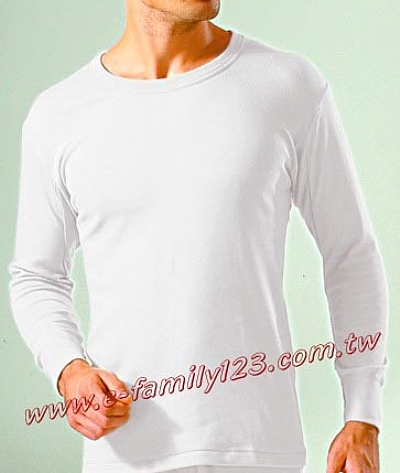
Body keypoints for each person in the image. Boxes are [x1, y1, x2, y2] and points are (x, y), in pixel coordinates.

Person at [8, 1, 389, 472]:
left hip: (257, 451)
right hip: (124, 453)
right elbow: (37, 276)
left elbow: (350, 254)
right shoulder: (60, 115)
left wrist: (362, 414)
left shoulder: (287, 86)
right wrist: (70, 369)